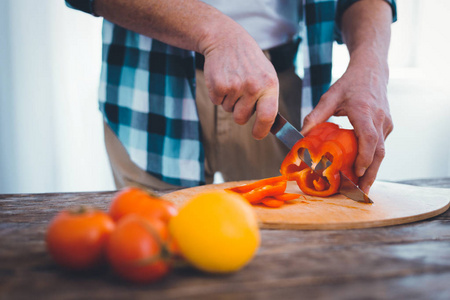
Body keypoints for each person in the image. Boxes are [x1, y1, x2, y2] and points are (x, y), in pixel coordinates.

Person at [66, 0, 397, 194]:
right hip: (147, 90)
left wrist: (372, 60)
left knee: (288, 266)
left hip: (274, 90)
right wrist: (213, 31)